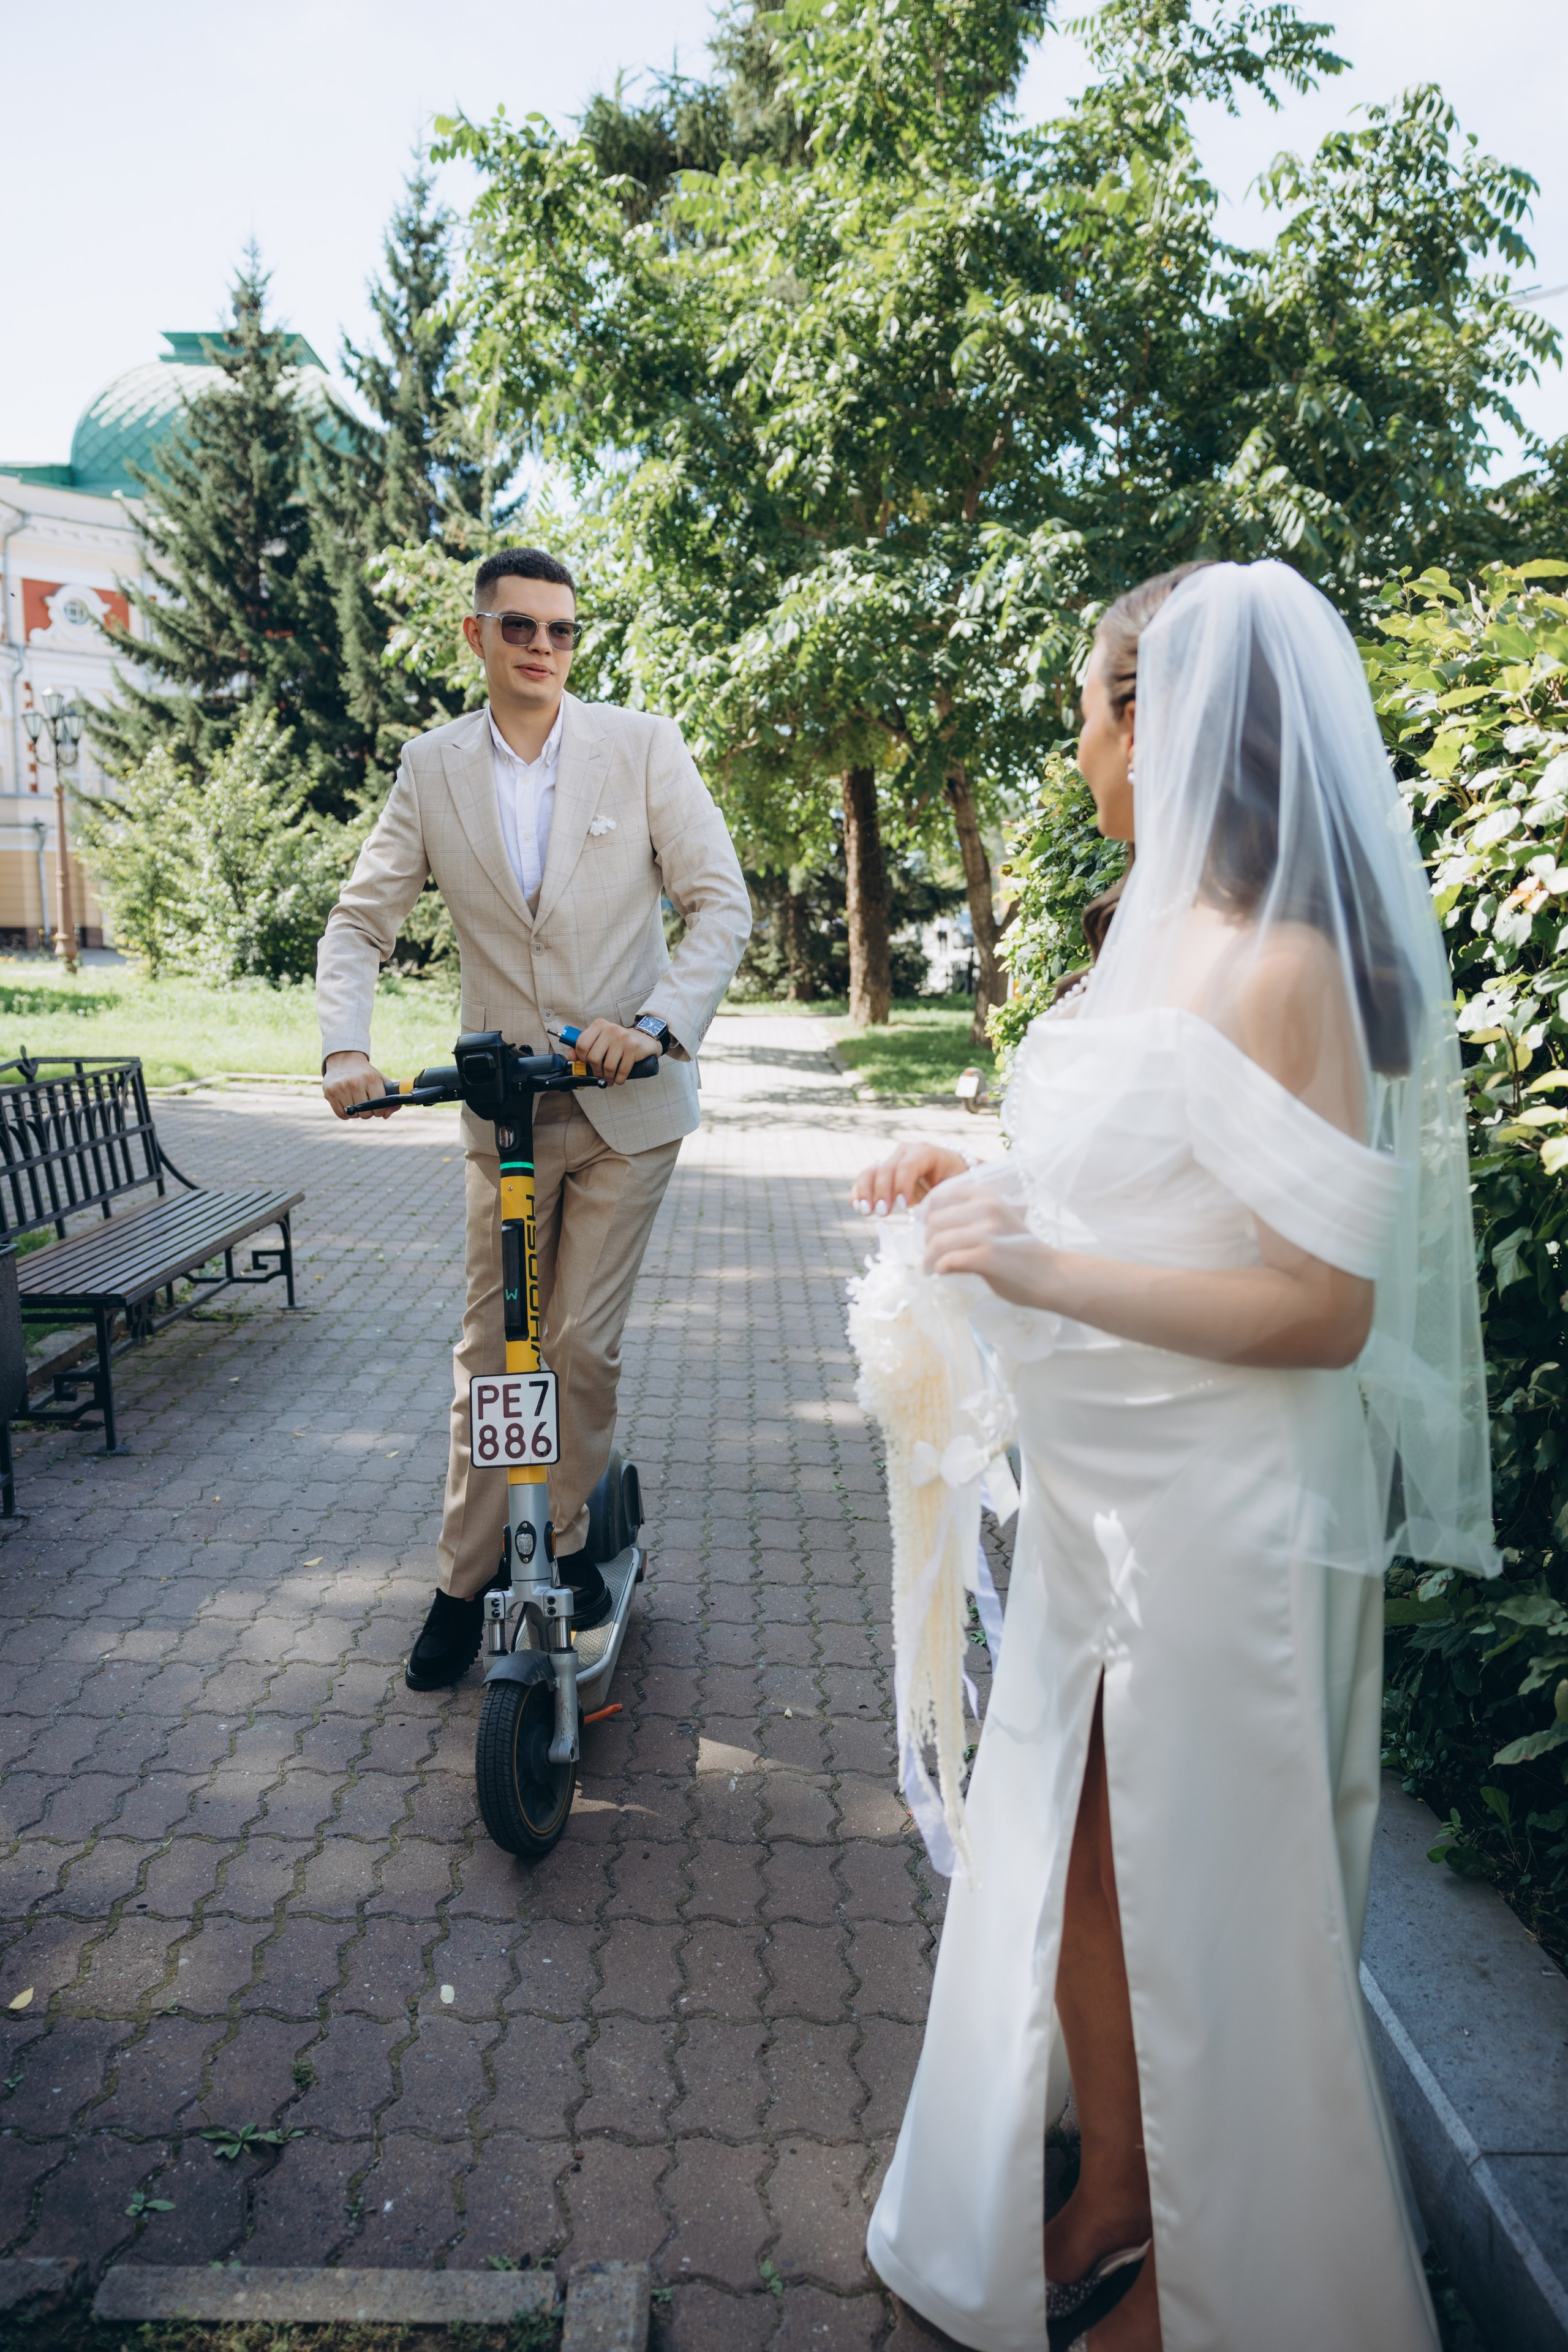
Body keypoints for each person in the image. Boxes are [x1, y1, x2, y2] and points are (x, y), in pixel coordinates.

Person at [853, 559, 1498, 2351]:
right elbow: (1129, 1184)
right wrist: (967, 1177)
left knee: (1208, 1898)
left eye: (1085, 714)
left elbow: (1321, 1308)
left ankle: (1226, 2296)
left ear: (1155, 724)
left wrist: (1040, 1269)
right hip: (1098, 1508)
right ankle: (1125, 2187)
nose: (1077, 752)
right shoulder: (1143, 931)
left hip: (1225, 1514)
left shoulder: (1293, 965)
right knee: (1072, 1858)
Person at [317, 546, 750, 1690]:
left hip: (625, 1109)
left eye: (562, 629)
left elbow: (719, 905)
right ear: (478, 635)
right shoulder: (432, 767)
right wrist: (346, 1047)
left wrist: (653, 1023)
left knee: (572, 1347)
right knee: (490, 1357)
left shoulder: (643, 747)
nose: (544, 647)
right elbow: (360, 923)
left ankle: (552, 1549)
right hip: (502, 1113)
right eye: (520, 627)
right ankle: (464, 1584)